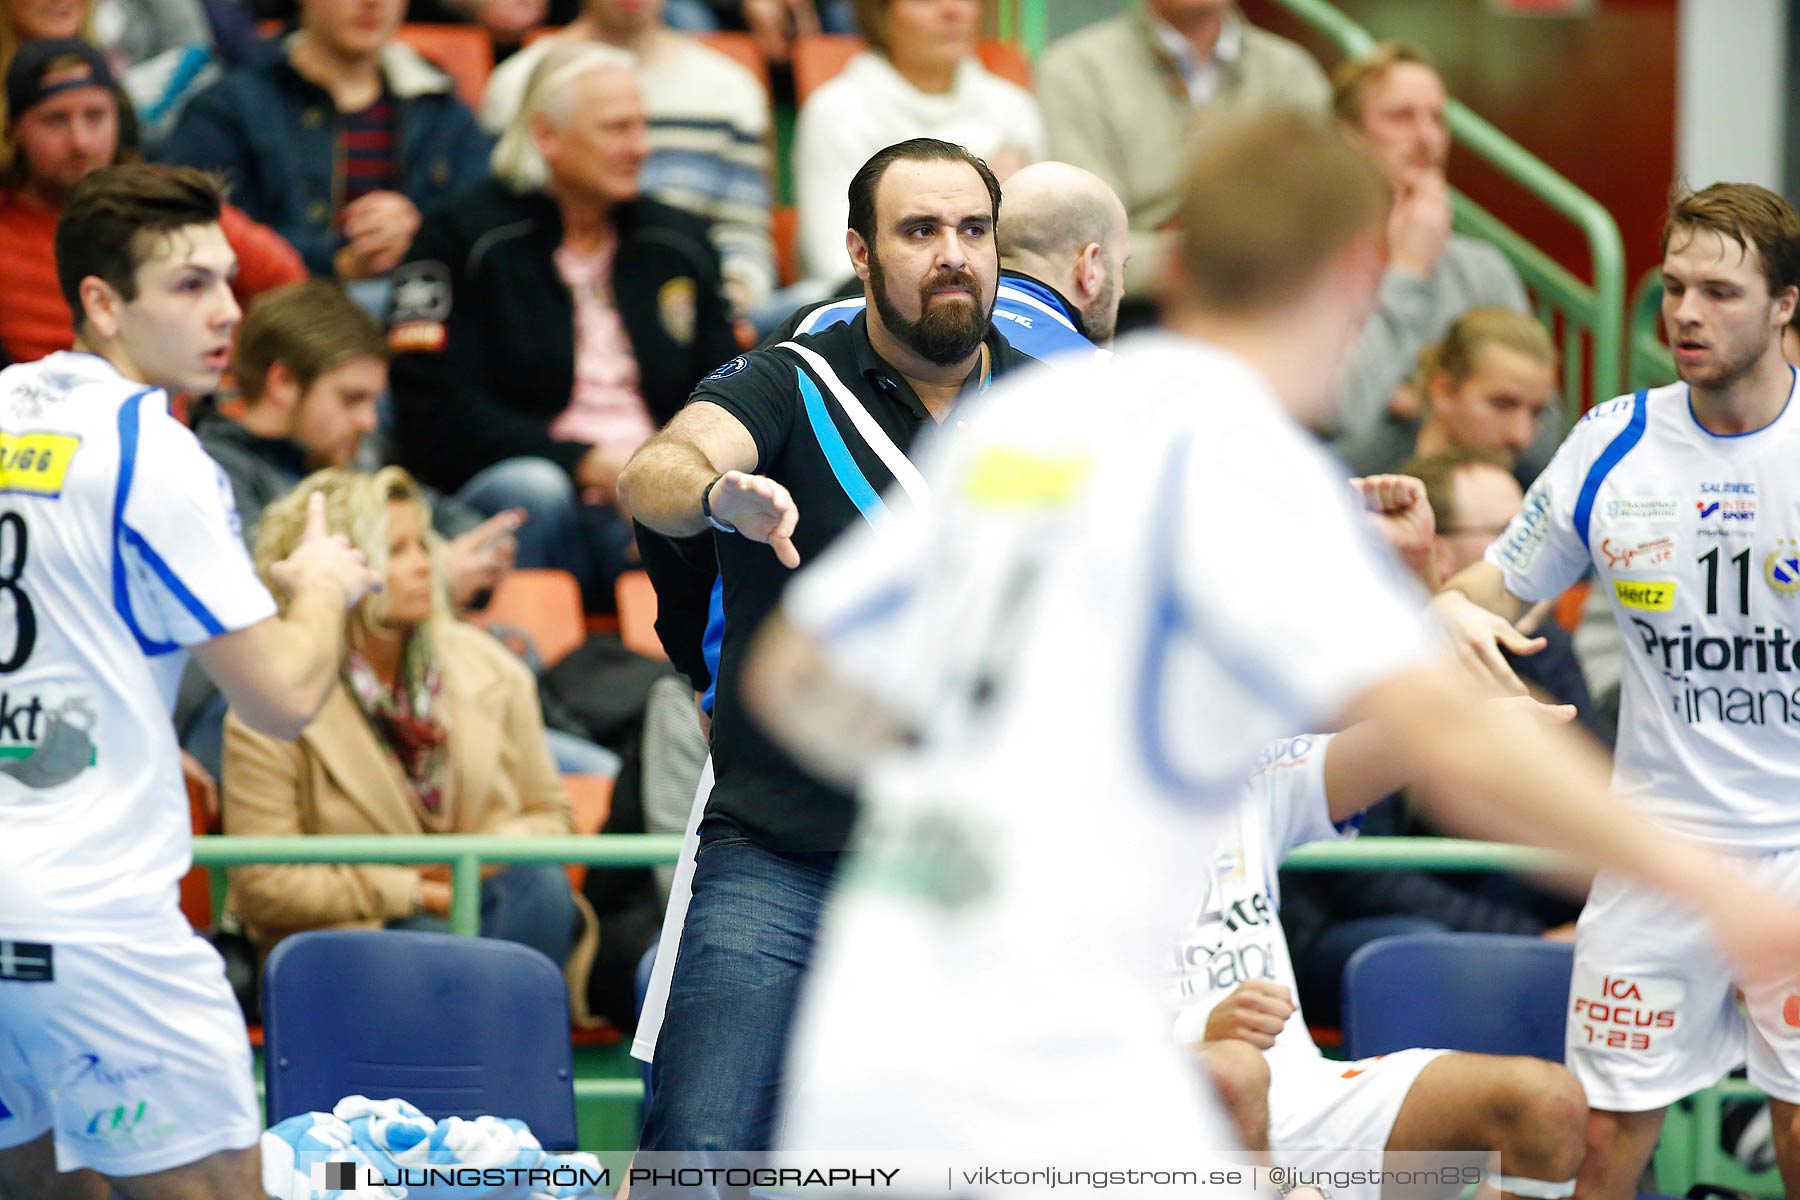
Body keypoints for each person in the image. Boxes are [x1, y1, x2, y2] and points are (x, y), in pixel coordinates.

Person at [735, 113, 1800, 1182]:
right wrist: (1718, 892)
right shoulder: (1242, 456)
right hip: (1046, 1075)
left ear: (1186, 263)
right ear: (1358, 277)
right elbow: (1455, 744)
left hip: (880, 1039)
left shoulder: (1027, 421)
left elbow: (796, 678)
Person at [616, 135, 1040, 1156]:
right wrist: (719, 491)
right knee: (700, 1154)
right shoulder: (789, 383)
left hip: (971, 869)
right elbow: (652, 473)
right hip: (782, 857)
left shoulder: (1056, 412)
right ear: (860, 253)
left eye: (973, 230)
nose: (953, 253)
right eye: (920, 230)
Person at [0, 163, 377, 1200]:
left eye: (227, 281)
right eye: (189, 286)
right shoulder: (149, 450)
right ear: (101, 302)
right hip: (95, 912)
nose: (227, 313)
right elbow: (281, 698)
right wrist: (322, 588)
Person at [1433, 182, 1800, 1200]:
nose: (1685, 313)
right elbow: (1486, 589)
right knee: (1595, 1151)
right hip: (1657, 850)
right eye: (1675, 287)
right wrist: (1448, 609)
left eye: (1720, 292)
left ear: (1785, 305)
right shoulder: (1612, 440)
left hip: (1799, 846)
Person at [222, 466, 607, 1021]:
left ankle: (491, 1066)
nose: (426, 563)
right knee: (426, 935)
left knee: (540, 889)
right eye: (396, 550)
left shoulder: (492, 669)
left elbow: (551, 817)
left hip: (487, 905)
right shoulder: (272, 699)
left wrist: (469, 865)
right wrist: (413, 890)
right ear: (342, 568)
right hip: (356, 940)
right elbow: (267, 885)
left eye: (421, 544)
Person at [388, 41, 738, 605]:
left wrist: (674, 474)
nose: (640, 148)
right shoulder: (463, 237)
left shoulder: (678, 241)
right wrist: (585, 464)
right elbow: (435, 415)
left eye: (641, 127)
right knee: (535, 489)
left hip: (664, 478)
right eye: (617, 129)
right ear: (546, 136)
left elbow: (729, 387)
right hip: (543, 485)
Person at [1180, 722, 1587, 1200]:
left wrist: (1467, 715)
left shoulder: (1242, 780)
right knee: (1233, 1072)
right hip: (1145, 1106)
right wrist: (1201, 1031)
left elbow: (1388, 744)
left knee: (1546, 1101)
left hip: (1296, 1091)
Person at [195, 279, 517, 608]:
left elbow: (443, 515)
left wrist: (481, 551)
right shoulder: (211, 473)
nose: (369, 421)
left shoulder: (355, 455)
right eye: (352, 399)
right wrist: (434, 578)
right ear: (284, 382)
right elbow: (270, 598)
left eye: (372, 402)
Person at [0, 38, 303, 365]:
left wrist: (234, 372)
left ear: (120, 119)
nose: (80, 141)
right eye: (55, 120)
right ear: (14, 130)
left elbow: (288, 284)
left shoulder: (161, 202)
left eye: (96, 116)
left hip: (171, 407)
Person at [1324, 42, 1548, 480]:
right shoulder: (1309, 267)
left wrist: (1417, 403)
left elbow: (1539, 441)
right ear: (1346, 137)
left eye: (1436, 119)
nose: (1427, 139)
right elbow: (1339, 437)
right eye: (1400, 117)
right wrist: (1407, 268)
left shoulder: (1484, 270)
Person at [479, 0, 776, 318]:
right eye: (617, 128)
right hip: (545, 300)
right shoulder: (518, 82)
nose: (640, 150)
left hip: (695, 302)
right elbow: (499, 218)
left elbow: (744, 234)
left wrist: (719, 302)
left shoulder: (732, 91)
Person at [161, 0, 492, 284]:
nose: (371, 2)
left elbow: (483, 229)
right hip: (275, 318)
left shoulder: (442, 108)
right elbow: (188, 231)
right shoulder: (229, 108)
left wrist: (418, 233)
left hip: (419, 311)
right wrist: (336, 259)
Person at [1035, 0, 1328, 311]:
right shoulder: (1076, 70)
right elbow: (1086, 243)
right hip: (1136, 309)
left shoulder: (1292, 72)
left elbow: (1318, 216)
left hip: (1278, 300)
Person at [791, 0, 1043, 290]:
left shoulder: (1014, 108)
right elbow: (837, 262)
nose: (952, 10)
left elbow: (1038, 258)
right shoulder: (835, 111)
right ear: (881, 15)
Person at [778, 158, 1130, 359]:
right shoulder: (1101, 383)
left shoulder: (818, 320)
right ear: (1091, 268)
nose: (1124, 292)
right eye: (1122, 266)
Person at [1408, 308, 1560, 483]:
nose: (1521, 436)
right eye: (1503, 404)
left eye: (1537, 413)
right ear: (1444, 391)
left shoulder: (1538, 494)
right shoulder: (1375, 475)